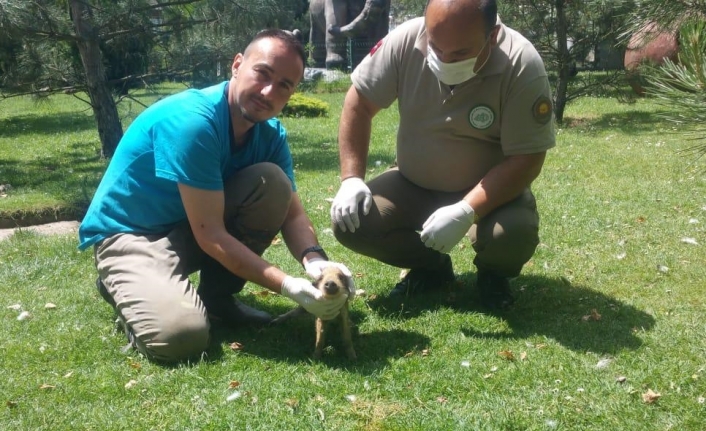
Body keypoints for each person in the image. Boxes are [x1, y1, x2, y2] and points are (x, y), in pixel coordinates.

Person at [79, 29, 353, 363]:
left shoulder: (269, 135)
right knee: (181, 339)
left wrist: (316, 261)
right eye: (262, 73)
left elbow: (292, 214)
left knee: (272, 183)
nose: (269, 92)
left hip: (191, 226)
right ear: (237, 65)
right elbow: (212, 236)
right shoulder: (193, 123)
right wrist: (287, 286)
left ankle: (218, 300)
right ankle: (123, 285)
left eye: (284, 85)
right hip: (133, 236)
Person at [330, 0, 555, 309]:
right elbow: (359, 102)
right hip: (413, 183)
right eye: (435, 47)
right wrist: (351, 179)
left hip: (488, 191)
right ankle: (431, 267)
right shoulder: (407, 39)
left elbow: (528, 158)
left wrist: (466, 209)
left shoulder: (521, 62)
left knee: (511, 235)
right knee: (353, 222)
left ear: (492, 36)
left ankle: (492, 275)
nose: (445, 60)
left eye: (460, 53)